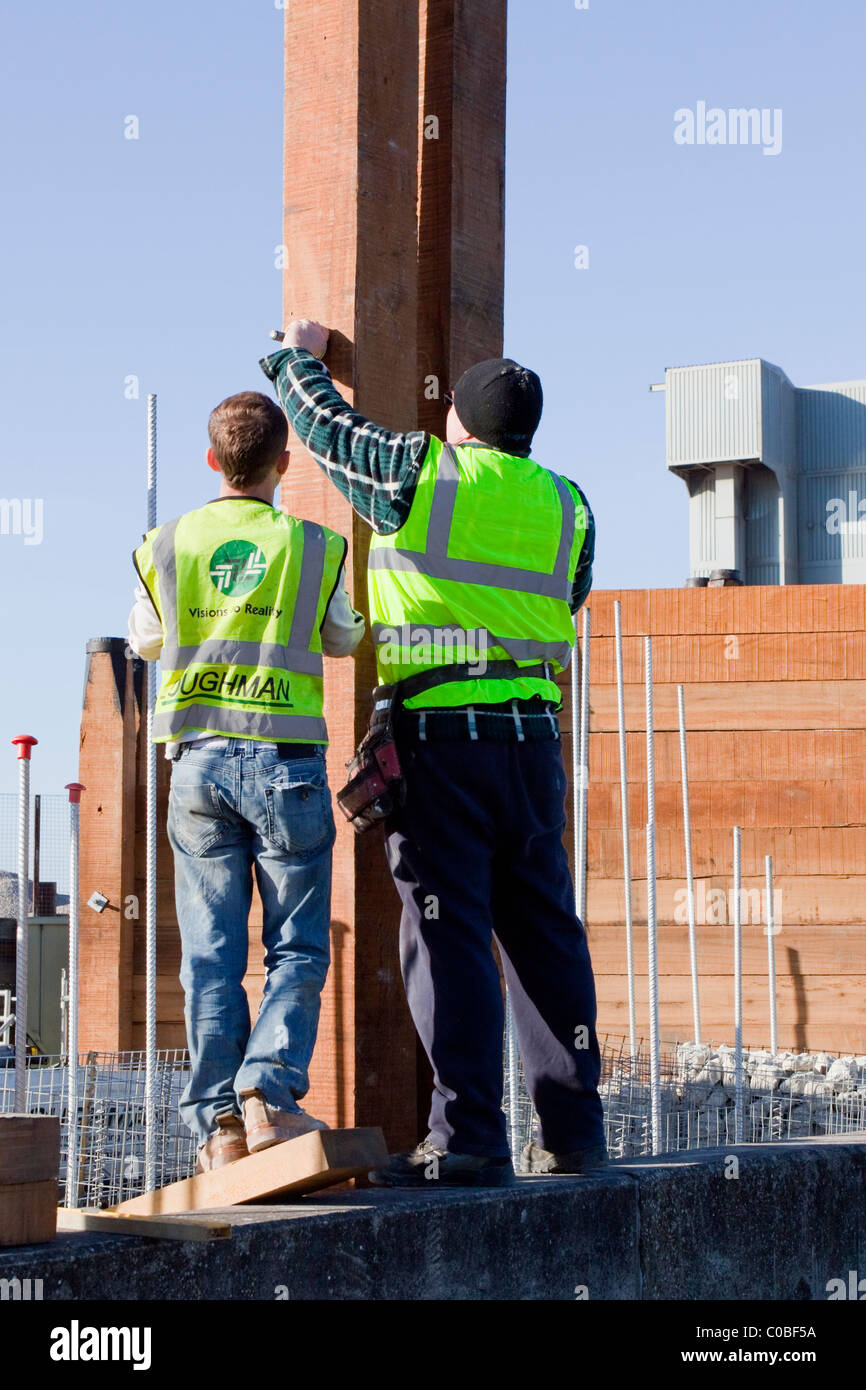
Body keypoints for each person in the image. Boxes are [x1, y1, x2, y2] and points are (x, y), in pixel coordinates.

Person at [260, 323, 607, 1187]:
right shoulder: (570, 504)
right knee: (546, 940)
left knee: (449, 938)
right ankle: (575, 1133)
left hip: (443, 743)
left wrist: (293, 354)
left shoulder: (424, 473)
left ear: (461, 419)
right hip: (533, 744)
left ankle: (470, 1142)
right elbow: (569, 594)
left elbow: (325, 429)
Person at [127, 390, 364, 1172]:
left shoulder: (165, 544)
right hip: (286, 765)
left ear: (210, 460)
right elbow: (342, 638)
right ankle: (268, 1090)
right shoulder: (318, 547)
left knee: (211, 954)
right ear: (283, 465)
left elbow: (149, 638)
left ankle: (220, 1129)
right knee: (296, 946)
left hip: (197, 766)